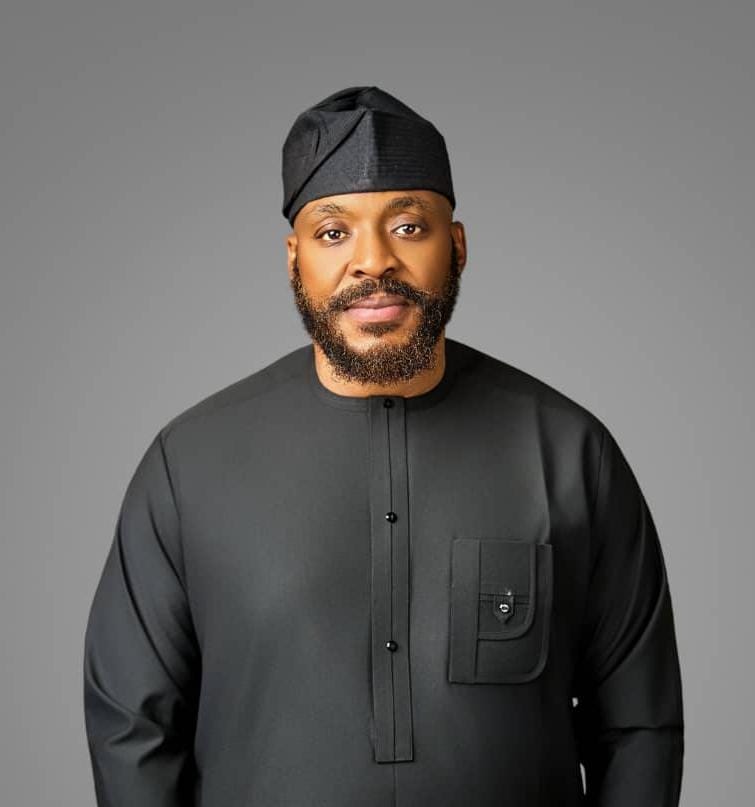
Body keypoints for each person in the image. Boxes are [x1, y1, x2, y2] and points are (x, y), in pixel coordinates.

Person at [83, 86, 684, 806]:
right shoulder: (188, 465)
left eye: (407, 226)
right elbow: (133, 731)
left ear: (456, 247)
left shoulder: (570, 452)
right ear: (294, 259)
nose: (373, 261)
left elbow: (639, 727)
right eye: (333, 232)